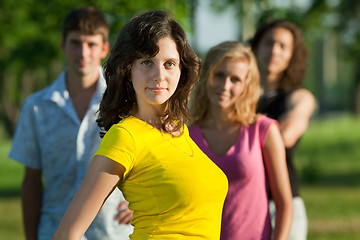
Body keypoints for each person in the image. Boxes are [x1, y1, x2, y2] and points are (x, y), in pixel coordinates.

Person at [53, 10, 228, 240]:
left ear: (181, 70)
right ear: (127, 69)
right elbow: (67, 234)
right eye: (147, 62)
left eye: (169, 64)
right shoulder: (125, 136)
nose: (159, 75)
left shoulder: (179, 130)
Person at [8, 7, 134, 240]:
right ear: (63, 45)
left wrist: (141, 204)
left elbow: (155, 160)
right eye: (76, 43)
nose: (83, 52)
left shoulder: (127, 104)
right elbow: (32, 181)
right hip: (54, 232)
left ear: (105, 48)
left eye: (92, 44)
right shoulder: (36, 107)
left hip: (112, 233)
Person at [189, 41, 293, 240]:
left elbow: (284, 203)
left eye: (235, 79)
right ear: (206, 75)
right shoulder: (184, 133)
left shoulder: (263, 130)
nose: (225, 85)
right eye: (219, 75)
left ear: (246, 85)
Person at [249, 19, 316, 240]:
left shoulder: (299, 98)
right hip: (241, 202)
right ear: (256, 46)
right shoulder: (235, 96)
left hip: (281, 206)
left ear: (292, 56)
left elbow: (285, 136)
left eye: (283, 46)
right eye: (269, 43)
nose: (274, 51)